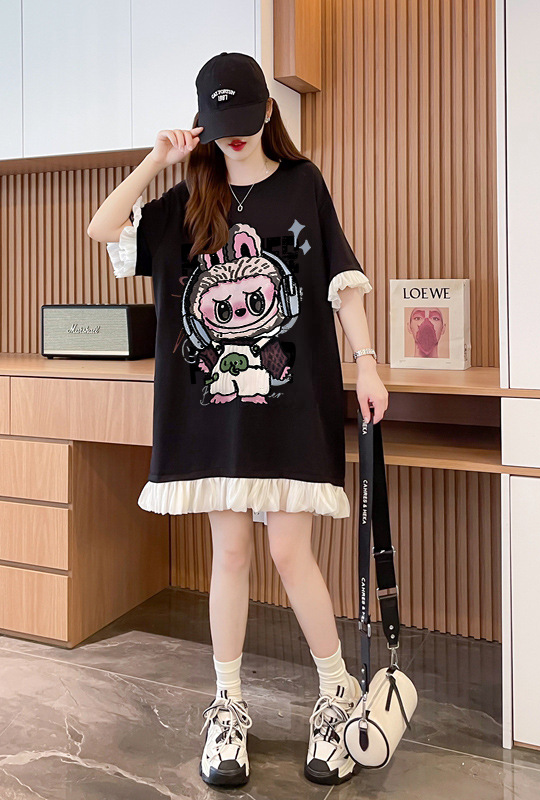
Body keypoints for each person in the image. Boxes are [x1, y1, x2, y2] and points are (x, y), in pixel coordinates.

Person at [87, 51, 388, 788]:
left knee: (289, 550)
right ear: (203, 123)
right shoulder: (190, 197)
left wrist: (368, 361)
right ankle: (227, 706)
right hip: (211, 411)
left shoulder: (302, 182)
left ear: (268, 112)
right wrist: (157, 160)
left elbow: (342, 282)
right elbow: (103, 228)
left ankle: (336, 694)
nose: (235, 135)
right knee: (230, 554)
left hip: (292, 402)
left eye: (246, 120)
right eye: (221, 124)